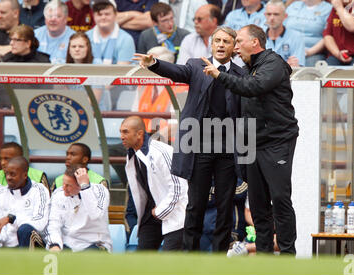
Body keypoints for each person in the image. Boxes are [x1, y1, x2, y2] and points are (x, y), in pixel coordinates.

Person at [134, 26, 245, 252]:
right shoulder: (196, 65)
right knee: (195, 205)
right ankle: (190, 257)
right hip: (200, 148)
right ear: (211, 45)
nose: (221, 44)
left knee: (225, 207)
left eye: (226, 41)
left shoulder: (241, 75)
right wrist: (155, 64)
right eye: (217, 41)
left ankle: (219, 256)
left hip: (227, 150)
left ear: (234, 47)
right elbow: (176, 71)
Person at [202, 24, 299, 255]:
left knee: (280, 199)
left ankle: (287, 256)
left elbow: (253, 87)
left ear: (255, 42)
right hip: (254, 146)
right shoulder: (250, 68)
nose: (235, 48)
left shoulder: (272, 63)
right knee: (258, 205)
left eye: (239, 42)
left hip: (277, 142)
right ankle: (265, 257)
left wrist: (219, 75)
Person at [120, 116, 188, 251]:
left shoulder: (162, 152)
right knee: (141, 260)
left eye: (125, 132)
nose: (121, 136)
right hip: (150, 215)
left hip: (173, 213)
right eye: (120, 132)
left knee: (170, 264)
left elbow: (178, 188)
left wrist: (160, 211)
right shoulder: (131, 155)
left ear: (139, 134)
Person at [45, 165, 112, 252]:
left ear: (80, 185)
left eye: (68, 185)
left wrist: (85, 187)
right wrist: (55, 244)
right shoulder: (58, 194)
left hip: (95, 244)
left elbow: (96, 215)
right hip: (67, 244)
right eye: (63, 183)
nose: (64, 188)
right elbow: (53, 224)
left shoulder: (100, 191)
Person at [0, 156, 51, 248]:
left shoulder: (39, 190)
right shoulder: (0, 194)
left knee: (25, 229)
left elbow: (40, 222)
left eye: (12, 174)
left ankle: (25, 261)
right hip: (8, 245)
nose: (8, 178)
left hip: (35, 242)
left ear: (25, 175)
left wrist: (11, 219)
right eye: (6, 174)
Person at [284, 0, 332, 66]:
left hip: (312, 52)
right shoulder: (293, 5)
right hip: (288, 50)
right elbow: (282, 28)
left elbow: (328, 36)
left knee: (309, 72)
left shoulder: (328, 8)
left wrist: (309, 52)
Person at [86, 0, 135, 65]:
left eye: (107, 14)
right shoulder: (86, 37)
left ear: (115, 15)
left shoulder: (126, 39)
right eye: (99, 14)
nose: (103, 17)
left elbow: (123, 70)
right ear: (94, 16)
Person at [264, 0, 305, 67]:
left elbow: (296, 66)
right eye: (269, 14)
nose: (272, 18)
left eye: (276, 14)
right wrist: (285, 64)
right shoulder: (258, 37)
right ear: (265, 15)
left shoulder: (296, 37)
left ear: (285, 16)